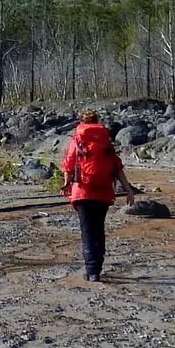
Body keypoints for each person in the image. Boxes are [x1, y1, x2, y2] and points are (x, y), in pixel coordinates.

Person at [60, 110, 138, 282]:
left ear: (81, 122)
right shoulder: (105, 142)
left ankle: (92, 271)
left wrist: (66, 184)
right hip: (103, 192)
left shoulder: (77, 140)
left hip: (82, 192)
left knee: (87, 232)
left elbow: (68, 165)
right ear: (97, 121)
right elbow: (117, 167)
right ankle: (98, 267)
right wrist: (128, 190)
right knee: (99, 229)